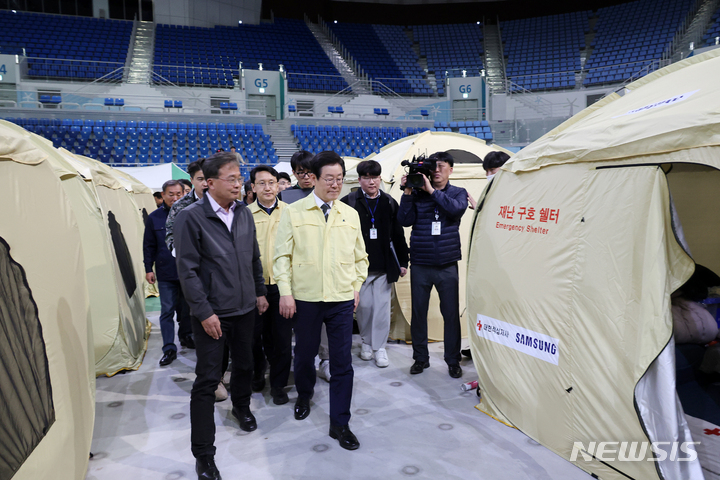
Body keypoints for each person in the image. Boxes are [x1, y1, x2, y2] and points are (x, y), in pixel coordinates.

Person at [174, 152, 268, 480]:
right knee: (206, 381)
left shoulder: (244, 213)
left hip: (244, 309)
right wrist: (203, 312)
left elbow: (254, 257)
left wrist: (258, 292)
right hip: (212, 315)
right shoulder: (190, 218)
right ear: (210, 182)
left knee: (245, 365)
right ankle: (204, 454)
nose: (238, 183)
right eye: (231, 178)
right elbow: (187, 271)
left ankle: (241, 407)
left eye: (239, 177)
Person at [274, 151, 368, 450]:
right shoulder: (294, 211)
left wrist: (355, 287)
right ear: (313, 178)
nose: (335, 184)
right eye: (329, 178)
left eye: (340, 179)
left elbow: (360, 258)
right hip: (307, 298)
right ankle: (304, 393)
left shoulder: (350, 214)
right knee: (304, 355)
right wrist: (285, 292)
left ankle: (340, 422)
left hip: (341, 298)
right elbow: (281, 257)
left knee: (342, 362)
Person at [398, 151, 468, 379]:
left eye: (441, 166)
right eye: (433, 167)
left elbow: (456, 210)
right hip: (420, 263)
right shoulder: (416, 193)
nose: (437, 170)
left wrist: (431, 191)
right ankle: (420, 358)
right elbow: (404, 220)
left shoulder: (458, 192)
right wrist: (408, 192)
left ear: (451, 169)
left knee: (450, 314)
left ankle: (452, 359)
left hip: (447, 264)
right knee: (419, 313)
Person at [340, 160, 408, 368]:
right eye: (367, 177)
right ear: (359, 179)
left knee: (381, 309)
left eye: (375, 177)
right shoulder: (348, 202)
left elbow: (398, 234)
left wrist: (403, 261)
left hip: (383, 266)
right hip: (357, 268)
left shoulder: (389, 202)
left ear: (380, 178)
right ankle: (366, 342)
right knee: (364, 308)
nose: (371, 182)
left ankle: (379, 347)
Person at [248, 165, 292, 405]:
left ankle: (278, 384)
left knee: (282, 341)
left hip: (283, 289)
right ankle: (257, 374)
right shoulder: (243, 215)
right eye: (262, 183)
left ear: (278, 185)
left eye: (272, 182)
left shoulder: (291, 212)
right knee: (254, 339)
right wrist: (257, 291)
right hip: (255, 289)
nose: (268, 187)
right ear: (253, 187)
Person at [288, 150, 331, 381]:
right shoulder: (286, 198)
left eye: (309, 172)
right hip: (296, 273)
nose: (305, 177)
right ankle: (301, 365)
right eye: (300, 172)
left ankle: (325, 360)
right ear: (294, 173)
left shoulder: (326, 196)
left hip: (322, 272)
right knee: (300, 329)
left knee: (323, 326)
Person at [143, 180, 191, 366]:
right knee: (167, 311)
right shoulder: (154, 218)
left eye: (179, 194)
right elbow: (149, 245)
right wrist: (148, 268)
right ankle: (169, 348)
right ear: (162, 195)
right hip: (165, 272)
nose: (175, 198)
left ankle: (186, 336)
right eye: (171, 194)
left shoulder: (190, 214)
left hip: (188, 272)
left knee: (187, 310)